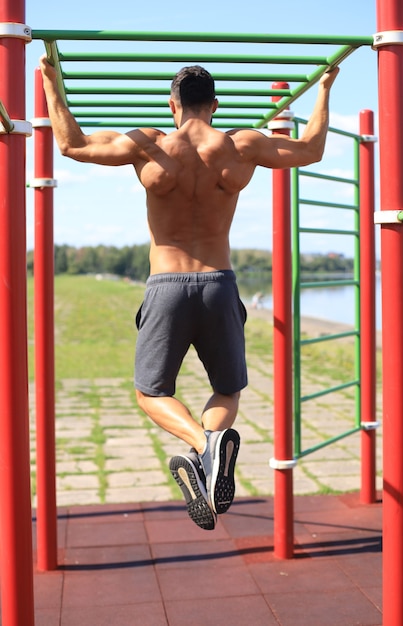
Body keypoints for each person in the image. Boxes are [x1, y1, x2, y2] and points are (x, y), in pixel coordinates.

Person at [39, 57, 339, 530]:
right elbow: (311, 149)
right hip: (220, 284)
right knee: (227, 388)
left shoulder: (151, 144)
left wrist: (50, 81)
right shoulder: (242, 146)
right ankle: (212, 450)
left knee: (150, 392)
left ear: (172, 106)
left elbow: (71, 144)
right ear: (214, 106)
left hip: (166, 287)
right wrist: (324, 88)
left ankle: (204, 447)